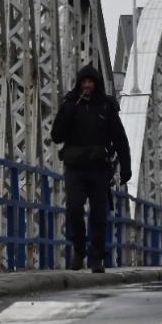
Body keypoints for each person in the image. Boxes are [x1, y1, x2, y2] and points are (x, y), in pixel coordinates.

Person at [48, 64, 132, 272]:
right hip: (75, 167)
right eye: (84, 82)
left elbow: (120, 139)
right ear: (79, 83)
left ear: (96, 84)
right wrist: (67, 113)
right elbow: (56, 135)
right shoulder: (69, 104)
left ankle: (96, 258)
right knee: (74, 208)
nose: (87, 86)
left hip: (99, 168)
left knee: (98, 215)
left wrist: (126, 168)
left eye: (91, 82)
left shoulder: (106, 107)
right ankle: (79, 249)